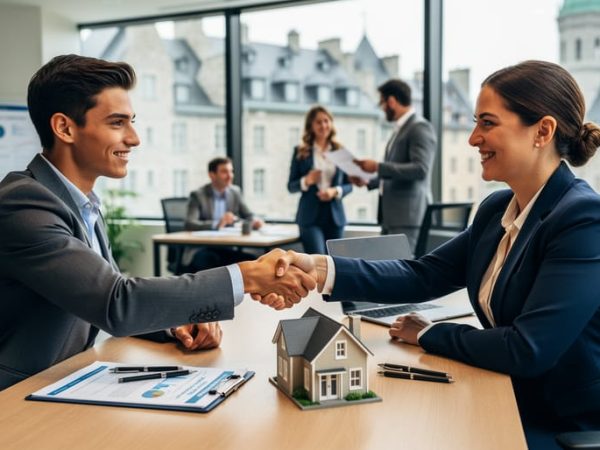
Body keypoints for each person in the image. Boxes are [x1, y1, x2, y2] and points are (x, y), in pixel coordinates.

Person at [275, 61, 600, 449]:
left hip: (560, 422)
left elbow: (527, 349)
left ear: (542, 131)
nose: (473, 138)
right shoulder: (496, 209)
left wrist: (429, 333)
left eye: (487, 123)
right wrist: (319, 268)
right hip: (501, 394)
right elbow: (422, 274)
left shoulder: (583, 220)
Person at [0, 54, 315, 391]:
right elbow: (114, 301)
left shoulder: (81, 201)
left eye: (131, 121)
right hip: (18, 399)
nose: (134, 138)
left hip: (67, 380)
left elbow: (95, 291)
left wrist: (173, 324)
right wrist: (247, 276)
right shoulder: (23, 203)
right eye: (117, 123)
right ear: (65, 128)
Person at [351, 79, 436, 252]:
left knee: (401, 269)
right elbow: (397, 172)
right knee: (389, 268)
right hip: (391, 216)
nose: (382, 108)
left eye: (382, 103)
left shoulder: (419, 127)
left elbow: (420, 169)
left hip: (407, 217)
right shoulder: (401, 128)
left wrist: (377, 167)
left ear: (391, 101)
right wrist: (370, 181)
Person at [287, 105, 352, 254]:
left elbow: (350, 185)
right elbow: (291, 186)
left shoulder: (340, 151)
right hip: (309, 217)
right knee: (318, 261)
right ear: (311, 126)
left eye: (326, 121)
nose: (323, 125)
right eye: (318, 122)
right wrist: (306, 181)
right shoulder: (301, 151)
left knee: (336, 263)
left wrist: (335, 191)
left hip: (335, 216)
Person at [183, 156, 263, 271]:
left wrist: (255, 221)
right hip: (202, 248)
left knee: (251, 260)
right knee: (211, 261)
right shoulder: (198, 195)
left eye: (231, 171)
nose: (230, 176)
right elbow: (189, 223)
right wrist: (217, 224)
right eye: (224, 172)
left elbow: (249, 215)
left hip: (226, 247)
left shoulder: (235, 192)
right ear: (212, 175)